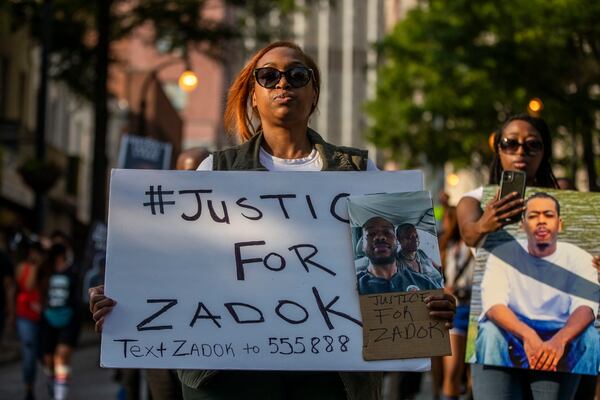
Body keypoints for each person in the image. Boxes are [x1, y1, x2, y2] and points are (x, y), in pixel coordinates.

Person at [89, 41, 456, 400]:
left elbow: (392, 262)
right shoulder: (214, 170)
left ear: (314, 94)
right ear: (252, 94)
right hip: (227, 373)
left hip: (332, 374)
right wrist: (124, 293)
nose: (283, 83)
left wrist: (426, 303)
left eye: (297, 75)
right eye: (268, 76)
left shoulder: (360, 171)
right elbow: (170, 262)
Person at [456, 114, 598, 399]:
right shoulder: (476, 199)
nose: (520, 152)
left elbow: (587, 294)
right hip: (502, 327)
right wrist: (487, 223)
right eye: (510, 144)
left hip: (560, 330)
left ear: (544, 152)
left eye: (532, 145)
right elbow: (469, 234)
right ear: (498, 149)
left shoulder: (569, 203)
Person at [476, 192, 599, 374]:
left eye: (548, 215)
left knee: (591, 339)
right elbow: (494, 306)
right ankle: (499, 388)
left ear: (560, 224)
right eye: (533, 216)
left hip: (561, 326)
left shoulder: (580, 258)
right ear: (523, 224)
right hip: (516, 327)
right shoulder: (503, 254)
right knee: (489, 333)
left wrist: (559, 340)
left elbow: (586, 308)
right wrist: (528, 335)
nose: (541, 221)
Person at [357, 217, 442, 294]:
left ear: (396, 241)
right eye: (371, 233)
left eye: (387, 232)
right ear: (362, 246)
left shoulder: (425, 282)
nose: (380, 237)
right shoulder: (352, 286)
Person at [40, 243, 81, 400]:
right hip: (49, 319)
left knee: (61, 356)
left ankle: (60, 396)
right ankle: (53, 383)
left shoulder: (74, 270)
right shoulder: (46, 270)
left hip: (69, 318)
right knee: (49, 360)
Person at [14, 240, 45, 400]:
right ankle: (29, 388)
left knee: (44, 354)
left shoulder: (48, 268)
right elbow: (28, 285)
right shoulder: (23, 267)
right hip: (26, 315)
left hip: (45, 316)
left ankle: (55, 387)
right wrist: (35, 267)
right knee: (29, 353)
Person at [395, 223, 444, 288]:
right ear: (399, 240)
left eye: (416, 236)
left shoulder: (421, 253)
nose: (415, 240)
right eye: (409, 237)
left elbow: (439, 268)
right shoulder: (398, 263)